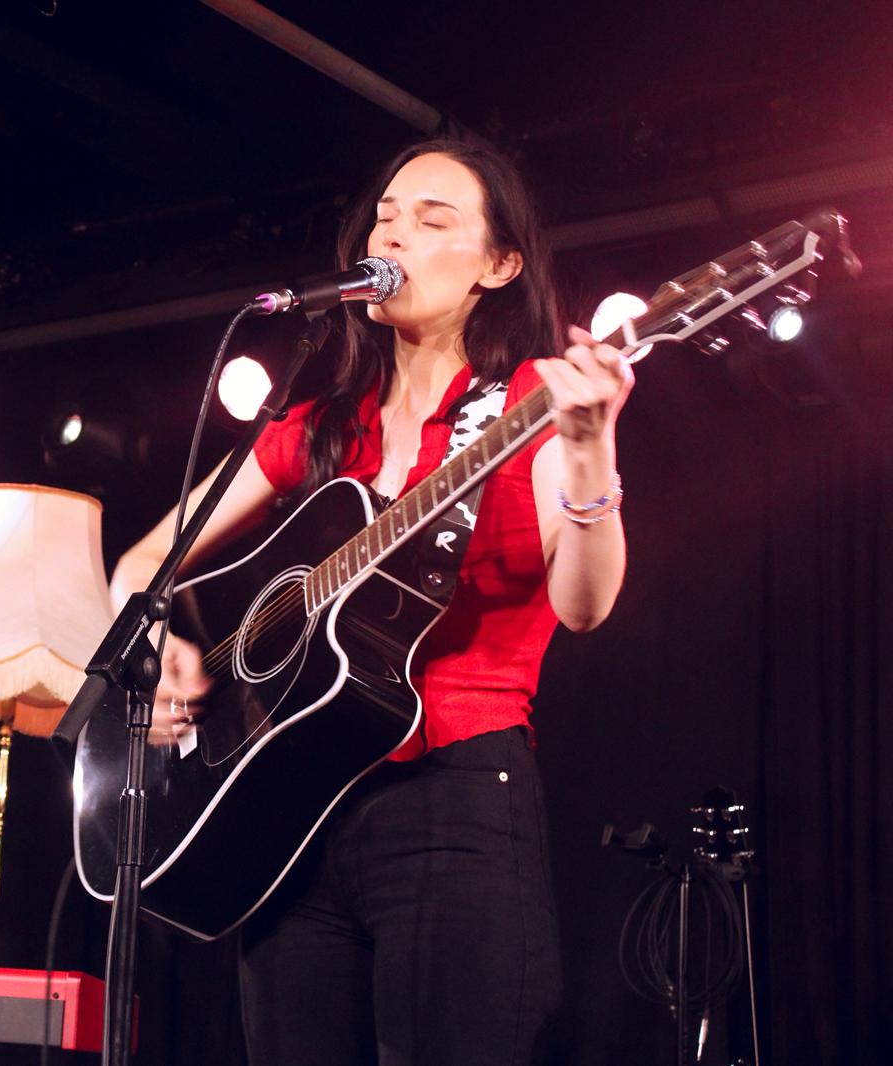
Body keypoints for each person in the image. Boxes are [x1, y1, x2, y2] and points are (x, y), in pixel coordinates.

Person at [109, 139, 632, 1064]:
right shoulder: (320, 424)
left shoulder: (531, 403)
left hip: (453, 800)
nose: (392, 234)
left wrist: (591, 451)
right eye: (386, 217)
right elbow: (144, 562)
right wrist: (161, 651)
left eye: (433, 221)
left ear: (499, 265)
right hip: (294, 814)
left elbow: (585, 606)